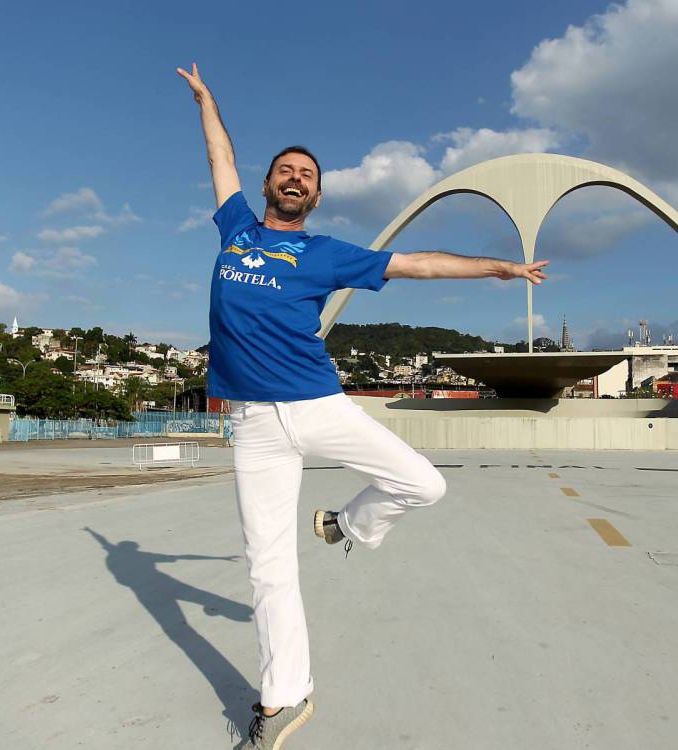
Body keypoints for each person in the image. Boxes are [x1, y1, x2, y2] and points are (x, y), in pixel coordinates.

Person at [176, 63, 548, 749]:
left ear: (315, 196)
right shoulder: (235, 230)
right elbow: (219, 155)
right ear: (267, 185)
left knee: (424, 483)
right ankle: (284, 699)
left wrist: (496, 267)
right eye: (285, 170)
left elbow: (416, 265)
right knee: (268, 568)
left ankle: (346, 525)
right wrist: (207, 101)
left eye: (306, 175)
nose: (294, 178)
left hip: (320, 405)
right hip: (255, 425)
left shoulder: (324, 253)